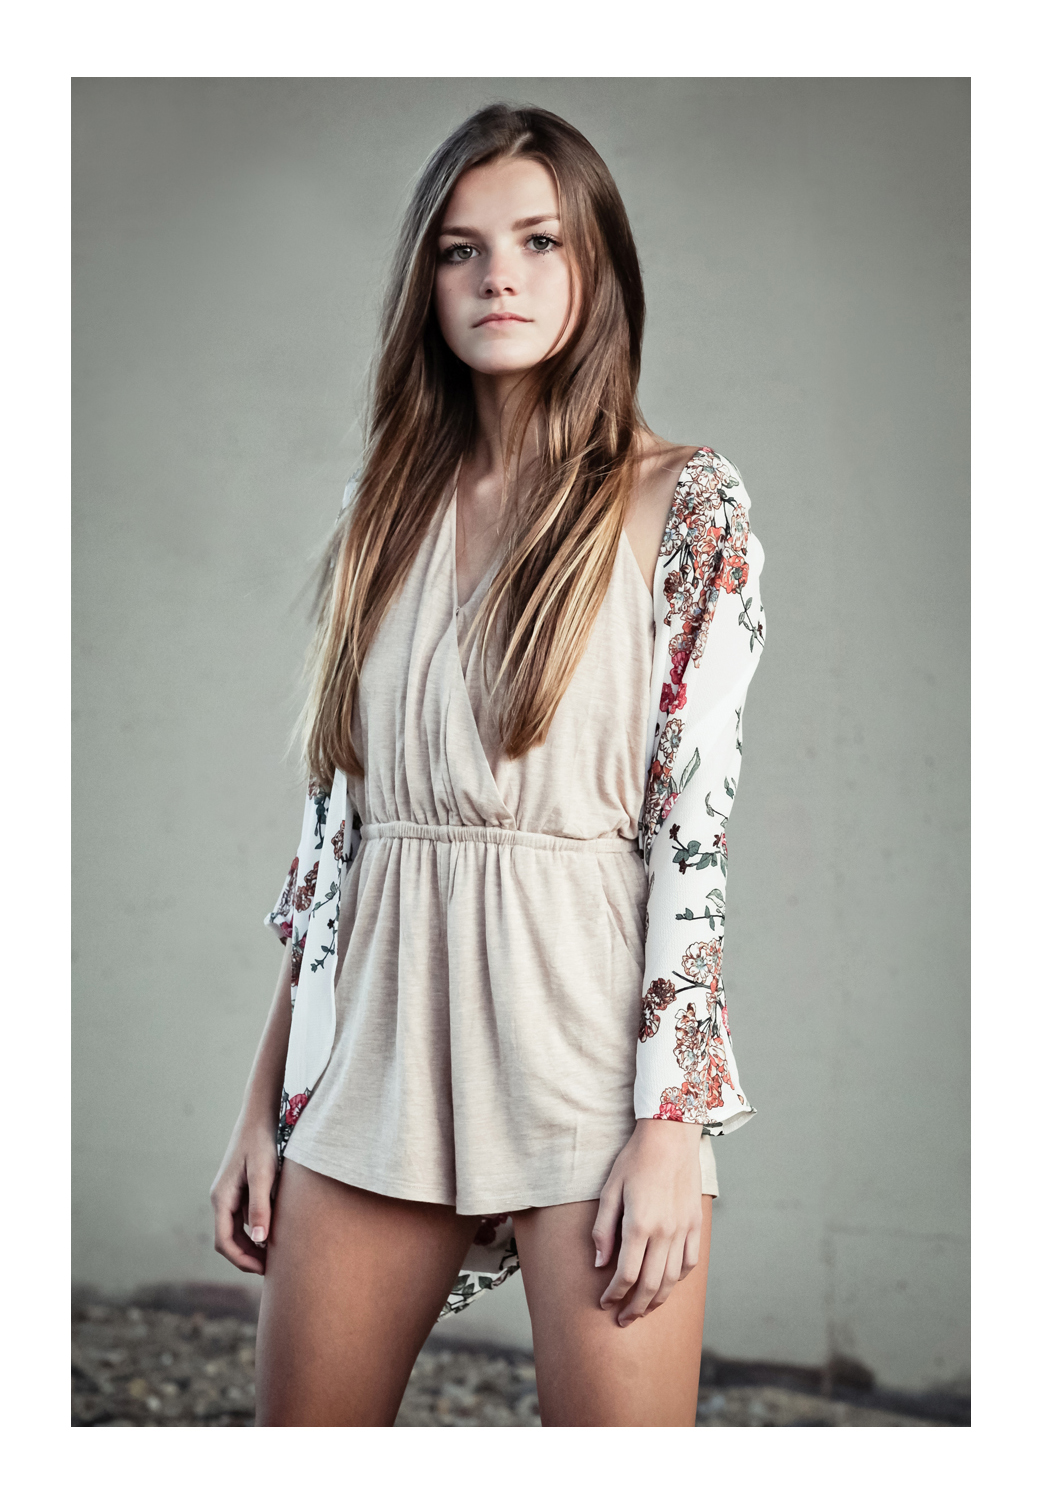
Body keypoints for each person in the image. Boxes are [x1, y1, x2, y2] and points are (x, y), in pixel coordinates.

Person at [210, 102, 766, 1428]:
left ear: (597, 270)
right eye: (458, 251)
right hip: (376, 1049)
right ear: (426, 283)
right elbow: (333, 837)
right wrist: (262, 1105)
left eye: (536, 240)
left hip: (590, 1058)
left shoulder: (684, 504)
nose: (497, 276)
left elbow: (692, 840)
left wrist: (670, 1122)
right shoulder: (381, 506)